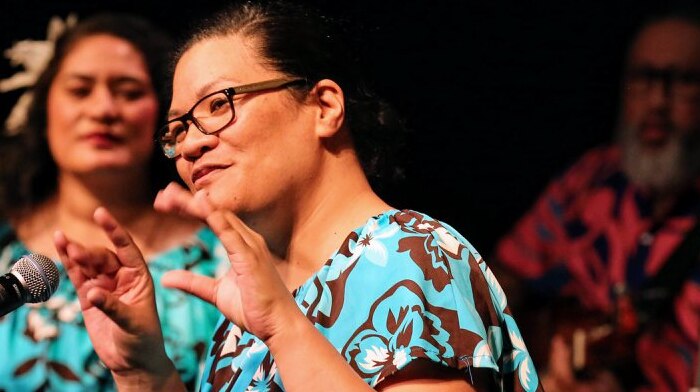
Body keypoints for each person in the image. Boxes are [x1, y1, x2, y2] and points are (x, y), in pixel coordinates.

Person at [52, 1, 544, 391]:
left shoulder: (414, 255)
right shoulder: (245, 316)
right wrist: (143, 372)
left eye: (219, 104)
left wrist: (286, 330)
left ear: (324, 106)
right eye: (178, 128)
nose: (191, 143)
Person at [0, 13, 227, 391]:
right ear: (44, 111)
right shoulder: (4, 246)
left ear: (164, 116)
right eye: (80, 90)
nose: (104, 109)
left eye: (129, 91)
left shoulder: (222, 260)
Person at [492, 6, 700, 392]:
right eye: (643, 79)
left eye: (682, 81)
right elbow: (504, 278)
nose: (657, 101)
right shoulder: (590, 178)